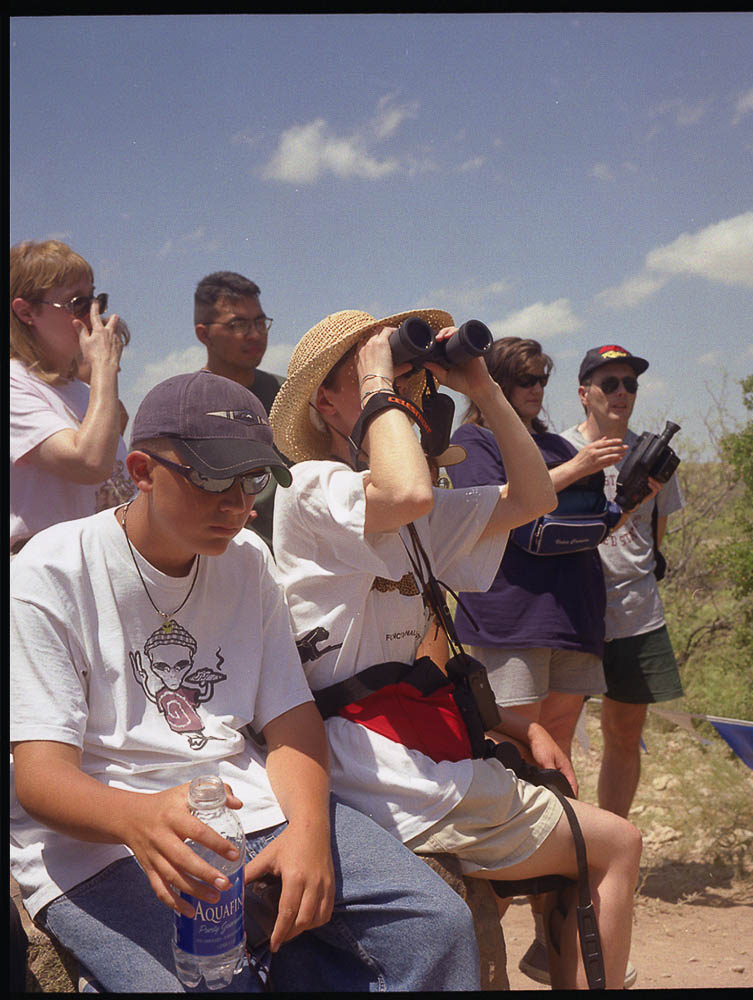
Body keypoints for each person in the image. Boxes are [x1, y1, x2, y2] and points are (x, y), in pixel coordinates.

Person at [9, 370, 480, 993]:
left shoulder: (249, 559)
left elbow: (291, 723)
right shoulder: (51, 570)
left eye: (251, 480)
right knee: (205, 983)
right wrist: (137, 818)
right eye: (209, 478)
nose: (237, 504)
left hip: (250, 809)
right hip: (103, 843)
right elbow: (41, 780)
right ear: (142, 470)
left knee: (436, 924)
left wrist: (310, 832)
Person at [269, 310, 642, 990]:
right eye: (367, 373)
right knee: (619, 845)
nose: (399, 385)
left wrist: (482, 386)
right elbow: (405, 490)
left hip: (401, 749)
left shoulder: (408, 510)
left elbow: (531, 498)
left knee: (574, 822)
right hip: (369, 761)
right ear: (327, 402)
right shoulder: (312, 488)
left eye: (406, 373)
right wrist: (385, 381)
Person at [447, 336, 634, 986]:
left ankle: (557, 951)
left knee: (562, 779)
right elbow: (490, 513)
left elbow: (595, 519)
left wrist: (634, 487)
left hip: (572, 618)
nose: (535, 388)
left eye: (540, 377)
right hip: (509, 620)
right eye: (522, 378)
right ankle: (483, 940)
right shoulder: (475, 443)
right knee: (519, 773)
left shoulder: (550, 442)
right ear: (494, 379)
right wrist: (581, 464)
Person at [561, 344, 686, 821]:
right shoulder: (561, 451)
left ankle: (609, 845)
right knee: (557, 733)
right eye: (608, 383)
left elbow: (656, 542)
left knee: (623, 735)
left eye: (629, 384)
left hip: (637, 613)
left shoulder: (654, 456)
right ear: (583, 393)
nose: (621, 392)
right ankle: (566, 851)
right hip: (573, 611)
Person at [10, 240, 134, 554]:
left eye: (97, 300)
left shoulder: (84, 393)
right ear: (26, 312)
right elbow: (89, 463)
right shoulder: (13, 384)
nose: (95, 315)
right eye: (78, 303)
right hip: (43, 574)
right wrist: (104, 367)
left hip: (97, 563)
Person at [194, 270, 285, 548]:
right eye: (238, 325)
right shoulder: (186, 406)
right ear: (204, 334)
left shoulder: (288, 395)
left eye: (260, 322)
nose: (255, 334)